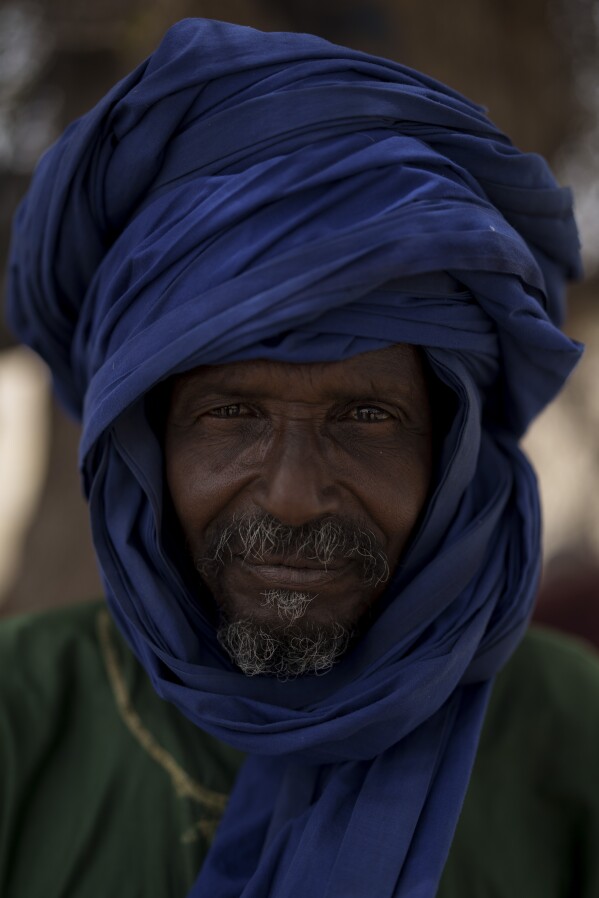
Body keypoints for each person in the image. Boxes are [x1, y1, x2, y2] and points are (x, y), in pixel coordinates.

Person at [3, 17, 599, 898]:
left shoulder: (569, 733)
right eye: (231, 414)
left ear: (452, 450)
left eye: (364, 416)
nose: (290, 498)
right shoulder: (23, 711)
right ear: (146, 443)